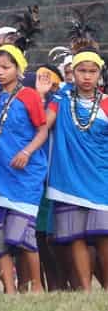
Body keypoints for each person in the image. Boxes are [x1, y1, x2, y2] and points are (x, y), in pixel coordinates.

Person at [0, 29, 49, 293]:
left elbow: (42, 129)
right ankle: (10, 289)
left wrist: (27, 152)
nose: (0, 72)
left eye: (6, 67)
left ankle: (37, 286)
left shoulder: (28, 96)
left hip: (24, 176)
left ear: (19, 69)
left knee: (22, 236)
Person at [45, 41, 108, 292]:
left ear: (99, 74)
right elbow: (44, 124)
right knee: (76, 236)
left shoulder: (105, 103)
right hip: (69, 177)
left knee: (104, 235)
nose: (87, 77)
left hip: (101, 178)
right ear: (73, 72)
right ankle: (84, 289)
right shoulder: (60, 99)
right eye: (82, 71)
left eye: (92, 72)